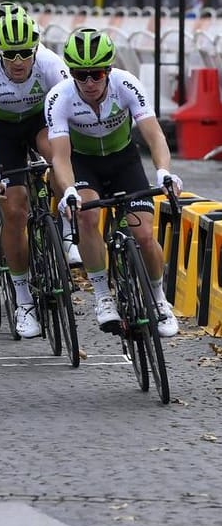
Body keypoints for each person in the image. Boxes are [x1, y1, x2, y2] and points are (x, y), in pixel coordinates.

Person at [46, 29, 180, 337]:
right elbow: (61, 157)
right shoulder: (59, 98)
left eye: (97, 74)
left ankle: (159, 299)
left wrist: (163, 172)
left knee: (144, 234)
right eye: (81, 75)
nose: (90, 83)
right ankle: (103, 296)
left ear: (108, 70)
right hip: (84, 163)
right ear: (71, 72)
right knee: (87, 214)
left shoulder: (126, 84)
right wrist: (67, 190)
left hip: (124, 161)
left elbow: (154, 135)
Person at [0, 6, 69, 339]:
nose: (18, 60)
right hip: (2, 133)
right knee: (14, 209)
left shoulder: (52, 66)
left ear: (36, 48)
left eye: (25, 52)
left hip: (41, 121)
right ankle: (23, 300)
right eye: (10, 53)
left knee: (58, 158)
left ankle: (66, 231)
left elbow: (69, 128)